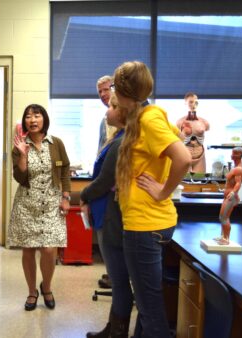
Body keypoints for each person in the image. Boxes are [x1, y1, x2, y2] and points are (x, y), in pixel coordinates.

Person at [114, 60, 191, 337]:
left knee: (151, 310)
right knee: (147, 306)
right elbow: (179, 145)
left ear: (122, 91)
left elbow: (183, 158)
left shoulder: (149, 119)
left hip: (145, 225)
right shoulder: (147, 116)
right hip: (147, 222)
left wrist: (163, 190)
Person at [8, 103, 71, 311]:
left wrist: (66, 196)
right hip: (27, 203)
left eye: (36, 115)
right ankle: (32, 291)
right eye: (28, 116)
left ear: (44, 119)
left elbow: (65, 170)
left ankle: (47, 286)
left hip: (52, 202)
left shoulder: (56, 143)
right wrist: (23, 155)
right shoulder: (19, 144)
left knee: (49, 249)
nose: (32, 120)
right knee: (29, 249)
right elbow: (19, 177)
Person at [82, 95, 132, 338]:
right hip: (105, 212)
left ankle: (118, 332)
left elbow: (104, 181)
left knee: (119, 279)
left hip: (111, 215)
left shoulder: (122, 141)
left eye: (112, 106)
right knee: (117, 277)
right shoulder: (118, 139)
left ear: (123, 111)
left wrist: (83, 194)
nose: (107, 110)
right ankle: (113, 327)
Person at [95, 74, 117, 290]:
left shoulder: (127, 118)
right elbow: (102, 149)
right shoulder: (105, 118)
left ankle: (117, 275)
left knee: (109, 234)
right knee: (102, 231)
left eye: (107, 89)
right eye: (100, 91)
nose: (103, 94)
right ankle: (113, 273)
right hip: (104, 183)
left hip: (115, 187)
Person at [215, 147, 242, 245]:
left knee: (224, 217)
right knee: (223, 217)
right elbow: (230, 182)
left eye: (234, 153)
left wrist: (233, 192)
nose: (232, 155)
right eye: (232, 153)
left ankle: (226, 239)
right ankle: (223, 236)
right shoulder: (235, 168)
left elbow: (238, 183)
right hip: (228, 196)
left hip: (231, 197)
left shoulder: (239, 169)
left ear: (239, 155)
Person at [176, 92, 210, 173]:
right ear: (185, 103)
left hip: (200, 156)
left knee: (199, 181)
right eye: (191, 102)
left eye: (196, 102)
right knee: (185, 182)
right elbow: (176, 141)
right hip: (185, 155)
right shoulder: (179, 122)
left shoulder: (204, 122)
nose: (193, 104)